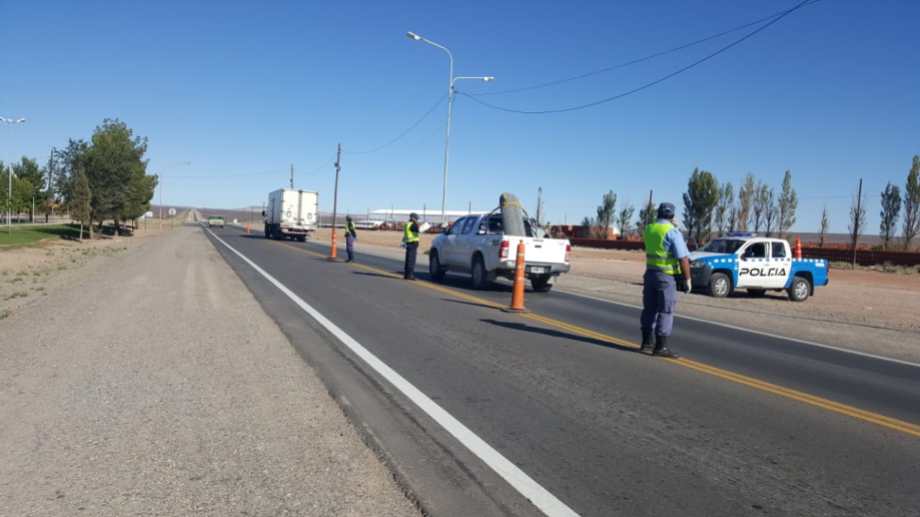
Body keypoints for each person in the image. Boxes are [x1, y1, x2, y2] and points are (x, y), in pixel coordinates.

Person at [640, 202, 691, 357]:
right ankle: (661, 347)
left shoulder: (649, 229)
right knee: (666, 310)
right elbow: (683, 258)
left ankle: (647, 343)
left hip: (650, 274)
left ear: (659, 213)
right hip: (666, 277)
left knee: (649, 309)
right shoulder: (672, 231)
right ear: (672, 215)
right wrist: (687, 278)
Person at [402, 213, 421, 280]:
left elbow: (406, 234)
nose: (417, 220)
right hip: (413, 243)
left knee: (408, 259)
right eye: (416, 219)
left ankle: (406, 275)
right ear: (413, 218)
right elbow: (418, 230)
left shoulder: (407, 224)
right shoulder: (413, 225)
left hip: (408, 243)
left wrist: (403, 242)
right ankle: (410, 275)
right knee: (411, 260)